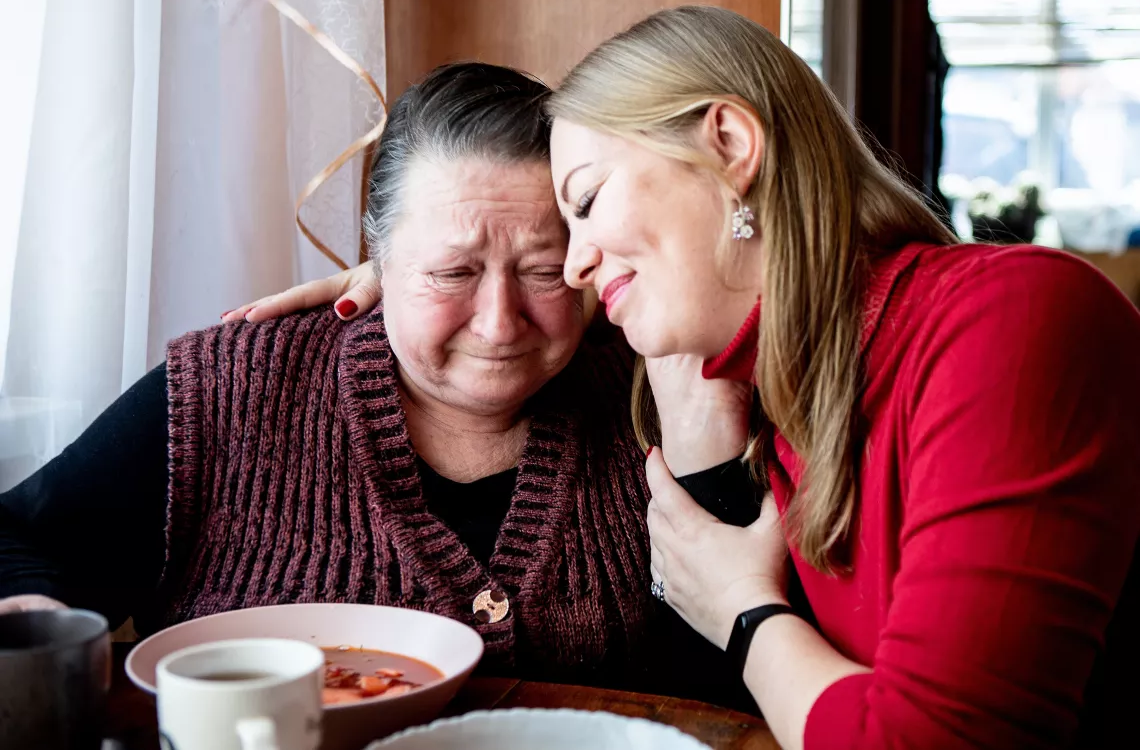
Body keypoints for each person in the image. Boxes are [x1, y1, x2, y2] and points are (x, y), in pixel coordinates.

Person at [264, 8, 1140, 748]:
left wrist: (743, 611)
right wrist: (407, 277)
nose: (570, 267)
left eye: (588, 200)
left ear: (729, 143)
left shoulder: (1014, 316)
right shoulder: (768, 385)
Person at [0, 61, 751, 700]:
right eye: (451, 272)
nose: (498, 321)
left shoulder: (659, 390)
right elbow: (17, 537)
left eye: (543, 272)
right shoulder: (233, 390)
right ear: (377, 260)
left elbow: (738, 679)